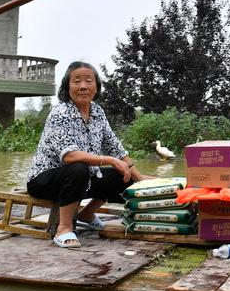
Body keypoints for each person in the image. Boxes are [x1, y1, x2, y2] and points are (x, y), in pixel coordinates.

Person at [26, 61, 147, 248]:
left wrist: (139, 179)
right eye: (76, 81)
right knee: (78, 168)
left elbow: (115, 146)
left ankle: (87, 214)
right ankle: (64, 229)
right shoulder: (60, 113)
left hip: (82, 178)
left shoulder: (97, 111)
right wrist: (109, 160)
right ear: (67, 86)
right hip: (45, 180)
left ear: (96, 86)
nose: (83, 86)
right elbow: (69, 156)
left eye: (88, 81)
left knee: (121, 174)